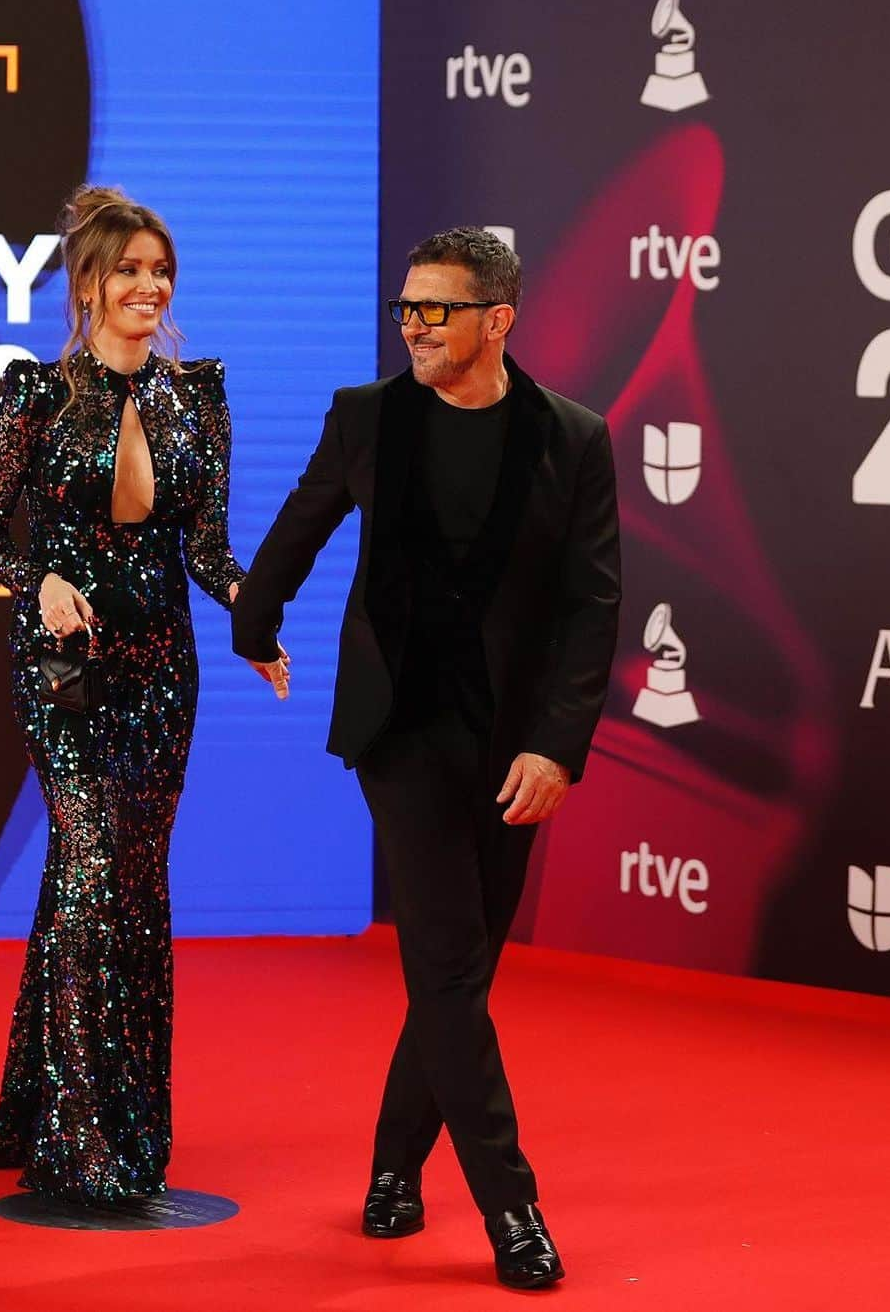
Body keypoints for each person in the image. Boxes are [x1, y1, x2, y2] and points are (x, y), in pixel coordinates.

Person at [231, 227, 620, 1287]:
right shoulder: (368, 417)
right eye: (406, 306)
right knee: (450, 966)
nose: (412, 323)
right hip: (398, 733)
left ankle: (394, 1168)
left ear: (498, 319)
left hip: (511, 745)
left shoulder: (572, 438)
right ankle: (513, 1208)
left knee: (459, 975)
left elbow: (593, 607)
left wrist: (557, 745)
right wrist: (254, 623)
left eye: (435, 308)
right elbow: (301, 526)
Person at [0, 186, 249, 1205]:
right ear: (88, 284)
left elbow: (207, 549)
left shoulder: (199, 396)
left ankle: (102, 1111)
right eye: (127, 269)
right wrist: (36, 576)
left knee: (129, 886)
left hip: (164, 671)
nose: (147, 286)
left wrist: (249, 606)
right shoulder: (35, 394)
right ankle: (79, 1139)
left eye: (160, 270)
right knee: (87, 870)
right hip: (65, 672)